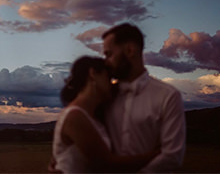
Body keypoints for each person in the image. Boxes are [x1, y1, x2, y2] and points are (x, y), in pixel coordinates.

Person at [50, 56, 159, 173]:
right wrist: (159, 153)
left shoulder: (93, 116)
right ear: (93, 74)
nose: (112, 84)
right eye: (108, 77)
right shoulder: (75, 116)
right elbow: (107, 164)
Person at [102, 23, 186, 173]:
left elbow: (172, 156)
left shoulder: (167, 96)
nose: (106, 61)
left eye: (109, 54)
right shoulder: (104, 96)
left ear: (130, 50)